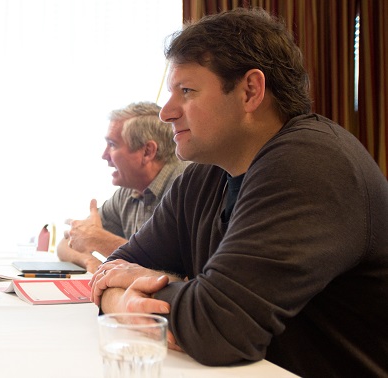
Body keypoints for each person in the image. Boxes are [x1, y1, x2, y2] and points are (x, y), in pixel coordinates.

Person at [90, 8, 388, 377]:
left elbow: (218, 329)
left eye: (186, 91)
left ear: (250, 90)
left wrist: (131, 297)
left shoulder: (312, 165)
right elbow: (110, 271)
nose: (166, 112)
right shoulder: (202, 177)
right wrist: (145, 294)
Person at [57, 102, 187, 273]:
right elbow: (65, 244)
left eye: (112, 144)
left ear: (148, 152)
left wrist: (101, 240)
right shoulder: (127, 193)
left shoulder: (187, 185)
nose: (104, 156)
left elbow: (182, 272)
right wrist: (88, 259)